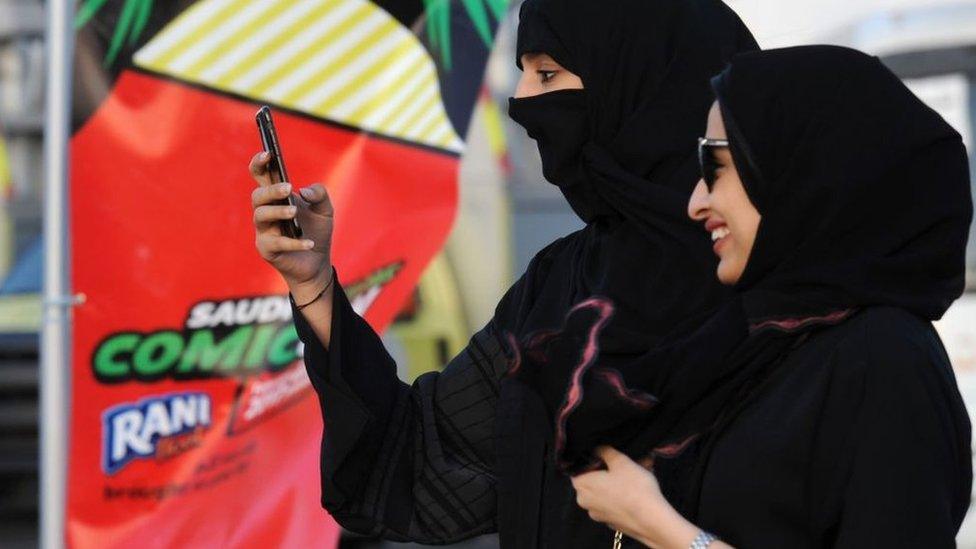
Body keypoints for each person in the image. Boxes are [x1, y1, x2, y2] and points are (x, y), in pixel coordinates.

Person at [248, 0, 757, 546]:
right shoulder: (564, 282)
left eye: (546, 73)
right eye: (522, 74)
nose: (522, 101)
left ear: (638, 83)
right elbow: (421, 453)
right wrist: (315, 285)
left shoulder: (791, 305)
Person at [537, 46, 973, 548]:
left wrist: (666, 531)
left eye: (717, 164)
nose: (697, 201)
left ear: (802, 166)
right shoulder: (748, 346)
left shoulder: (885, 357)